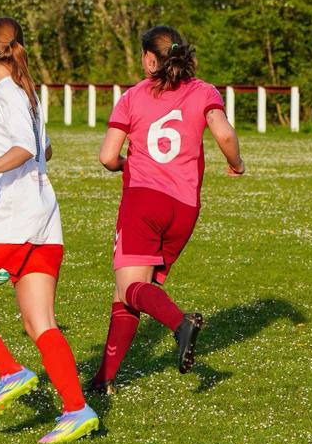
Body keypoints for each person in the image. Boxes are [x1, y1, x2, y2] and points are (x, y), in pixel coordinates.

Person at [0, 16, 99, 444]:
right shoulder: (26, 91)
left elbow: (28, 148)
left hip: (13, 216)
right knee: (39, 321)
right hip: (43, 216)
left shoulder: (8, 93)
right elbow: (45, 148)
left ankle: (10, 371)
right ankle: (76, 409)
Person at [90, 25, 244, 393]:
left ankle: (180, 324)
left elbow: (107, 156)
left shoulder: (132, 97)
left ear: (149, 60)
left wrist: (126, 165)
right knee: (132, 291)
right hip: (185, 208)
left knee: (130, 287)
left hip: (144, 201)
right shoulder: (203, 90)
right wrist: (237, 163)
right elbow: (224, 133)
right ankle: (103, 379)